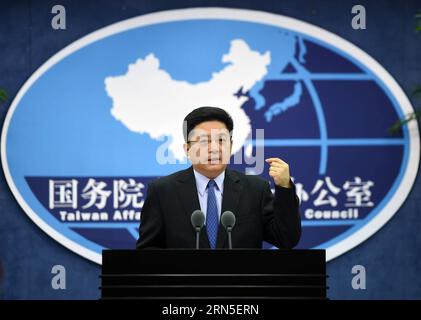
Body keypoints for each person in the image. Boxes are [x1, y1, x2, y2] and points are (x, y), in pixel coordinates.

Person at [136, 106, 301, 249]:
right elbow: (148, 249)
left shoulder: (256, 190)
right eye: (203, 141)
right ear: (187, 149)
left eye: (221, 140)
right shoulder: (162, 191)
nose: (214, 148)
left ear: (231, 145)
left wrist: (284, 187)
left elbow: (286, 239)